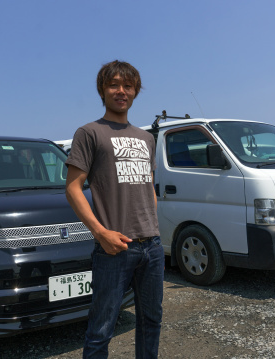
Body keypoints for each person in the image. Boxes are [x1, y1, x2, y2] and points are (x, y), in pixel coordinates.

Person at [65, 60, 164, 358]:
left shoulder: (147, 138)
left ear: (135, 92)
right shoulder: (89, 132)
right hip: (114, 247)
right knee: (101, 328)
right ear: (102, 90)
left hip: (152, 246)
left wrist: (152, 225)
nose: (121, 91)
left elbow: (149, 187)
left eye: (128, 86)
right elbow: (72, 188)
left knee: (151, 321)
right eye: (114, 85)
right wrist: (101, 233)